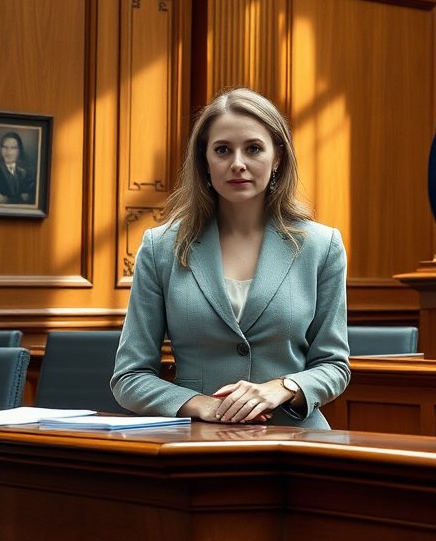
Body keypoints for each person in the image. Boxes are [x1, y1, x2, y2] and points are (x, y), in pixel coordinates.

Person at [112, 88, 350, 426]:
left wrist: (282, 387)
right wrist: (203, 405)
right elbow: (130, 377)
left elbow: (334, 367)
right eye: (222, 150)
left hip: (297, 440)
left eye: (253, 149)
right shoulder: (160, 247)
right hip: (197, 442)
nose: (238, 163)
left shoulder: (321, 245)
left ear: (278, 157)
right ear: (204, 160)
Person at [0, 131, 33, 204]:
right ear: (1, 149)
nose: (8, 152)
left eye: (13, 148)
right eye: (5, 147)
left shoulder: (25, 174)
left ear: (19, 150)